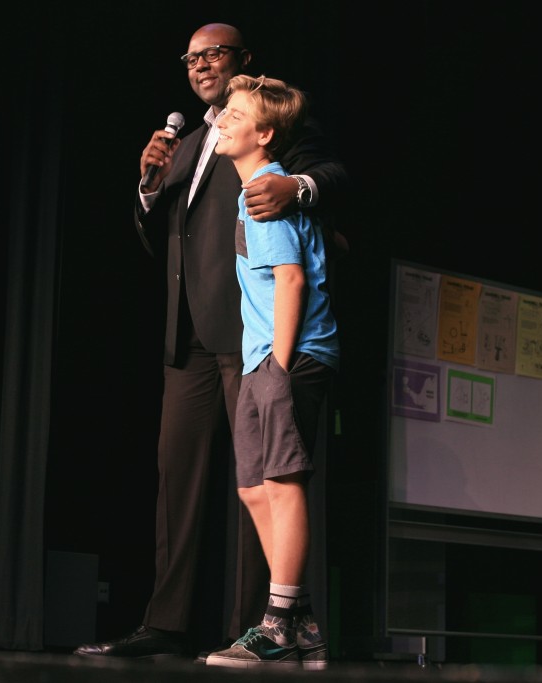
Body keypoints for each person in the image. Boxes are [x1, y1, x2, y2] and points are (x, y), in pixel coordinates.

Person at [73, 22, 347, 661]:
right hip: (188, 332)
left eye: (213, 53)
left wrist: (298, 188)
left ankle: (264, 620)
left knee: (269, 476)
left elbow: (331, 177)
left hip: (254, 331)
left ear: (242, 59)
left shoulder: (267, 126)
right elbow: (166, 239)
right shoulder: (195, 141)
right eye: (191, 57)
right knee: (185, 480)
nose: (200, 65)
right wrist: (147, 185)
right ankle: (165, 624)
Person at [203, 73, 339, 669]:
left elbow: (291, 279)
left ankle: (278, 622)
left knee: (282, 483)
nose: (221, 119)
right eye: (222, 111)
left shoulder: (265, 188)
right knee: (252, 488)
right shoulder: (248, 187)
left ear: (265, 134)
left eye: (235, 114)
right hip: (263, 355)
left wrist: (278, 367)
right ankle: (302, 622)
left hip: (292, 355)